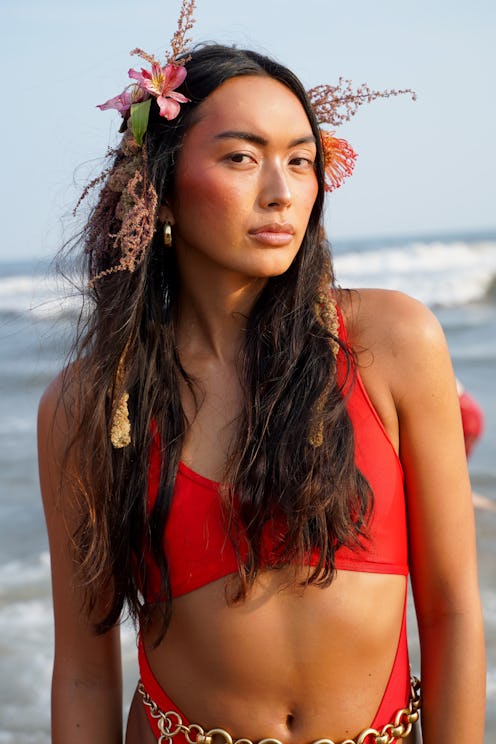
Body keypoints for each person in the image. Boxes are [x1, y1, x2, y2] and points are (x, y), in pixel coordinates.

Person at [37, 2, 486, 742]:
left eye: (301, 159)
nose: (282, 190)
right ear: (161, 181)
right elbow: (84, 669)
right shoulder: (91, 402)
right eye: (242, 157)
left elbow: (453, 613)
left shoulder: (391, 341)